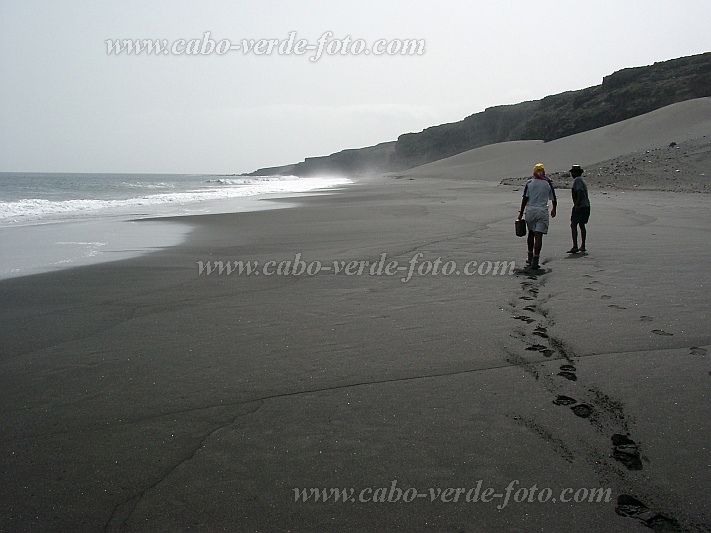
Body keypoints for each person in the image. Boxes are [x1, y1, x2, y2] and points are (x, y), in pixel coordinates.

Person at [518, 163, 557, 270]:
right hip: (542, 211)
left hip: (531, 210)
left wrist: (521, 213)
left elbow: (525, 198)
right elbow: (554, 198)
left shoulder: (530, 183)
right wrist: (554, 209)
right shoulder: (547, 183)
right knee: (538, 236)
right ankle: (536, 259)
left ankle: (529, 257)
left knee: (531, 233)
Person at [567, 164, 590, 253]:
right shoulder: (581, 180)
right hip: (586, 206)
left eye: (573, 172)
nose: (572, 174)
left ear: (577, 173)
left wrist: (577, 205)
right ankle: (582, 246)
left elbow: (579, 192)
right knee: (581, 225)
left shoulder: (577, 180)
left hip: (581, 206)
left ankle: (575, 246)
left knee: (573, 224)